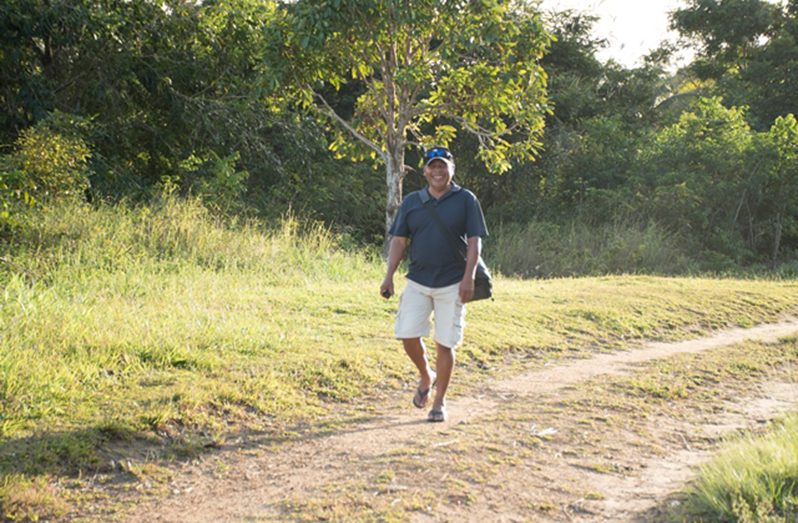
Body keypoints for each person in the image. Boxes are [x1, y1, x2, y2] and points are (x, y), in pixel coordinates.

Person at [380, 146, 488, 422]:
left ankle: (438, 402)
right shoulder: (413, 202)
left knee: (445, 343)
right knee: (406, 334)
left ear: (452, 169)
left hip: (453, 282)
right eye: (432, 166)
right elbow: (399, 241)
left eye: (443, 166)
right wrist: (389, 275)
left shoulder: (466, 200)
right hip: (418, 279)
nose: (438, 171)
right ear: (425, 171)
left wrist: (469, 278)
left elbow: (475, 241)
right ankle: (426, 375)